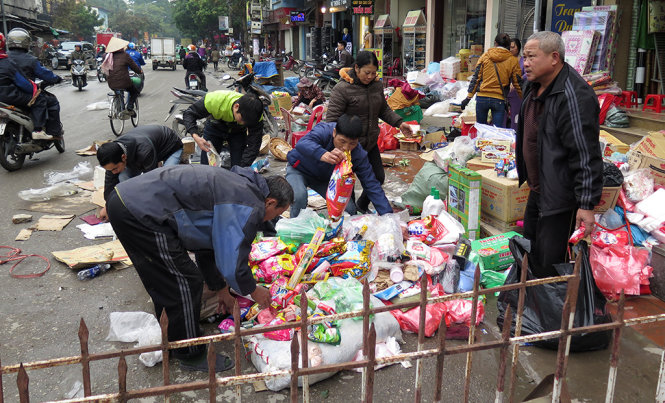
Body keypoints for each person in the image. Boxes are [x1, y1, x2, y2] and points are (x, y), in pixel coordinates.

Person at [107, 165, 293, 372]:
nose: (274, 219)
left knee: (166, 279)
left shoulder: (242, 188)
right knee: (185, 282)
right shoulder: (248, 203)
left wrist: (221, 289)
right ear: (271, 202)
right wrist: (253, 290)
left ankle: (172, 335)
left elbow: (209, 245)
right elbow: (232, 260)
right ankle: (190, 353)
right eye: (278, 212)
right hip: (142, 212)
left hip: (127, 203)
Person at [516, 31, 602, 278]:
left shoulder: (573, 94)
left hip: (560, 199)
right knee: (530, 250)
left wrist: (586, 203)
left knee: (551, 261)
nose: (526, 63)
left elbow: (585, 152)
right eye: (524, 57)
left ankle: (552, 310)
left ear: (554, 57)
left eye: (531, 57)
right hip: (538, 190)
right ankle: (532, 305)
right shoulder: (533, 87)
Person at [326, 51, 412, 213]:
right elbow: (331, 121)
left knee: (377, 178)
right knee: (346, 183)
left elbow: (383, 109)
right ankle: (347, 214)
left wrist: (399, 123)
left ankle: (362, 205)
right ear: (356, 68)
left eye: (374, 73)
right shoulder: (342, 89)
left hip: (370, 142)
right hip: (348, 146)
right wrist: (337, 146)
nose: (370, 76)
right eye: (367, 73)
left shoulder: (377, 86)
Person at [286, 114, 392, 218]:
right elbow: (302, 143)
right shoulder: (324, 130)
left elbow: (372, 185)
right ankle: (296, 230)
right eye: (342, 141)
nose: (346, 147)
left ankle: (338, 233)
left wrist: (390, 217)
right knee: (299, 196)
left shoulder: (358, 154)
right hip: (299, 169)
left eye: (352, 143)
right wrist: (323, 154)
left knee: (348, 210)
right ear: (334, 132)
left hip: (326, 180)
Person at [96, 125, 184, 221]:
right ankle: (131, 206)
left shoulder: (144, 151)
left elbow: (152, 181)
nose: (114, 172)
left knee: (165, 179)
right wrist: (108, 207)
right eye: (110, 170)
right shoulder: (112, 154)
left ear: (123, 157)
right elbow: (110, 182)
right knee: (123, 177)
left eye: (115, 168)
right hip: (143, 152)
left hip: (170, 146)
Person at [7, 28, 63, 140]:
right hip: (23, 95)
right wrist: (56, 78)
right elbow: (44, 74)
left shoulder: (3, 58)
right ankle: (52, 131)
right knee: (51, 101)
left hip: (4, 97)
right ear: (27, 42)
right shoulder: (30, 60)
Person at [183, 90, 264, 167]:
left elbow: (254, 146)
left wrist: (241, 169)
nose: (243, 123)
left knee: (239, 164)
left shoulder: (256, 114)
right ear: (236, 107)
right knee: (208, 165)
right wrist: (196, 137)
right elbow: (189, 114)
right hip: (214, 128)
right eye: (242, 119)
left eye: (247, 123)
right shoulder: (215, 100)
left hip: (238, 133)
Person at [461, 33, 523, 127]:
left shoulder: (485, 56)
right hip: (499, 99)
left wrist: (468, 97)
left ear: (495, 43)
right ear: (508, 45)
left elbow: (476, 78)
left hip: (482, 98)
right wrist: (524, 99)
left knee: (481, 130)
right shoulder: (512, 60)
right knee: (496, 133)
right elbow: (518, 83)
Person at [0, 33, 51, 140]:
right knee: (40, 98)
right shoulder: (7, 63)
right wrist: (34, 89)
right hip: (8, 95)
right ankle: (38, 130)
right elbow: (22, 83)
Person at [105, 37, 142, 117]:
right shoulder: (125, 55)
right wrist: (140, 71)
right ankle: (129, 108)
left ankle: (120, 109)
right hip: (124, 82)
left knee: (118, 91)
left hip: (111, 83)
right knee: (135, 91)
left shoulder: (108, 55)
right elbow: (134, 66)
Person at [506, 38, 525, 130]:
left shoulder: (523, 61)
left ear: (518, 48)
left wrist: (517, 81)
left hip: (517, 93)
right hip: (506, 92)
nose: (511, 49)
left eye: (513, 47)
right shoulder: (506, 61)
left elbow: (527, 74)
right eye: (509, 47)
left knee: (515, 116)